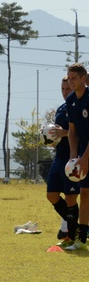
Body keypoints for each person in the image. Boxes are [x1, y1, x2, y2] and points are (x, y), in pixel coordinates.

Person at [44, 76, 79, 244]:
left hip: (72, 158)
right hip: (58, 157)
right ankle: (77, 226)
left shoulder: (79, 107)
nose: (65, 92)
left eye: (68, 88)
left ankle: (71, 236)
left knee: (71, 197)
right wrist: (51, 138)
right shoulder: (60, 109)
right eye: (63, 89)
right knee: (51, 195)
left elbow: (78, 132)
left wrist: (65, 133)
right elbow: (59, 133)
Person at [64, 63, 89, 250]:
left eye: (74, 78)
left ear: (83, 79)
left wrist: (85, 157)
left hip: (87, 154)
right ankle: (82, 240)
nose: (71, 82)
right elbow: (72, 132)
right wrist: (74, 158)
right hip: (83, 154)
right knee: (85, 193)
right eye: (69, 78)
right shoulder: (71, 100)